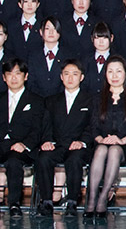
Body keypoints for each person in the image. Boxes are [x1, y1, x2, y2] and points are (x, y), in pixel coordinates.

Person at [0, 57, 48, 218]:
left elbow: (38, 129)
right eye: (9, 74)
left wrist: (25, 144)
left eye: (18, 73)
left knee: (14, 161)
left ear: (26, 76)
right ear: (4, 77)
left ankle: (14, 203)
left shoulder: (36, 100)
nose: (13, 78)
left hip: (22, 147)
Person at [87, 55, 126, 219]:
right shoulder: (98, 98)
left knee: (115, 150)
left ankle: (103, 198)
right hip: (102, 144)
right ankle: (92, 199)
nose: (114, 75)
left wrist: (121, 140)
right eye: (110, 71)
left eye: (118, 71)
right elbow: (94, 127)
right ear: (105, 74)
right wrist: (101, 139)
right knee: (102, 149)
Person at [37, 59, 93, 216]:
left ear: (81, 77)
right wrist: (47, 141)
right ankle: (46, 201)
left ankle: (72, 202)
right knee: (43, 158)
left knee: (74, 159)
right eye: (66, 74)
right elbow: (46, 124)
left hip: (79, 146)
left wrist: (82, 141)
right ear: (61, 77)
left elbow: (93, 126)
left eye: (75, 74)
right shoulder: (51, 100)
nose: (70, 78)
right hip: (58, 144)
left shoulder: (91, 100)